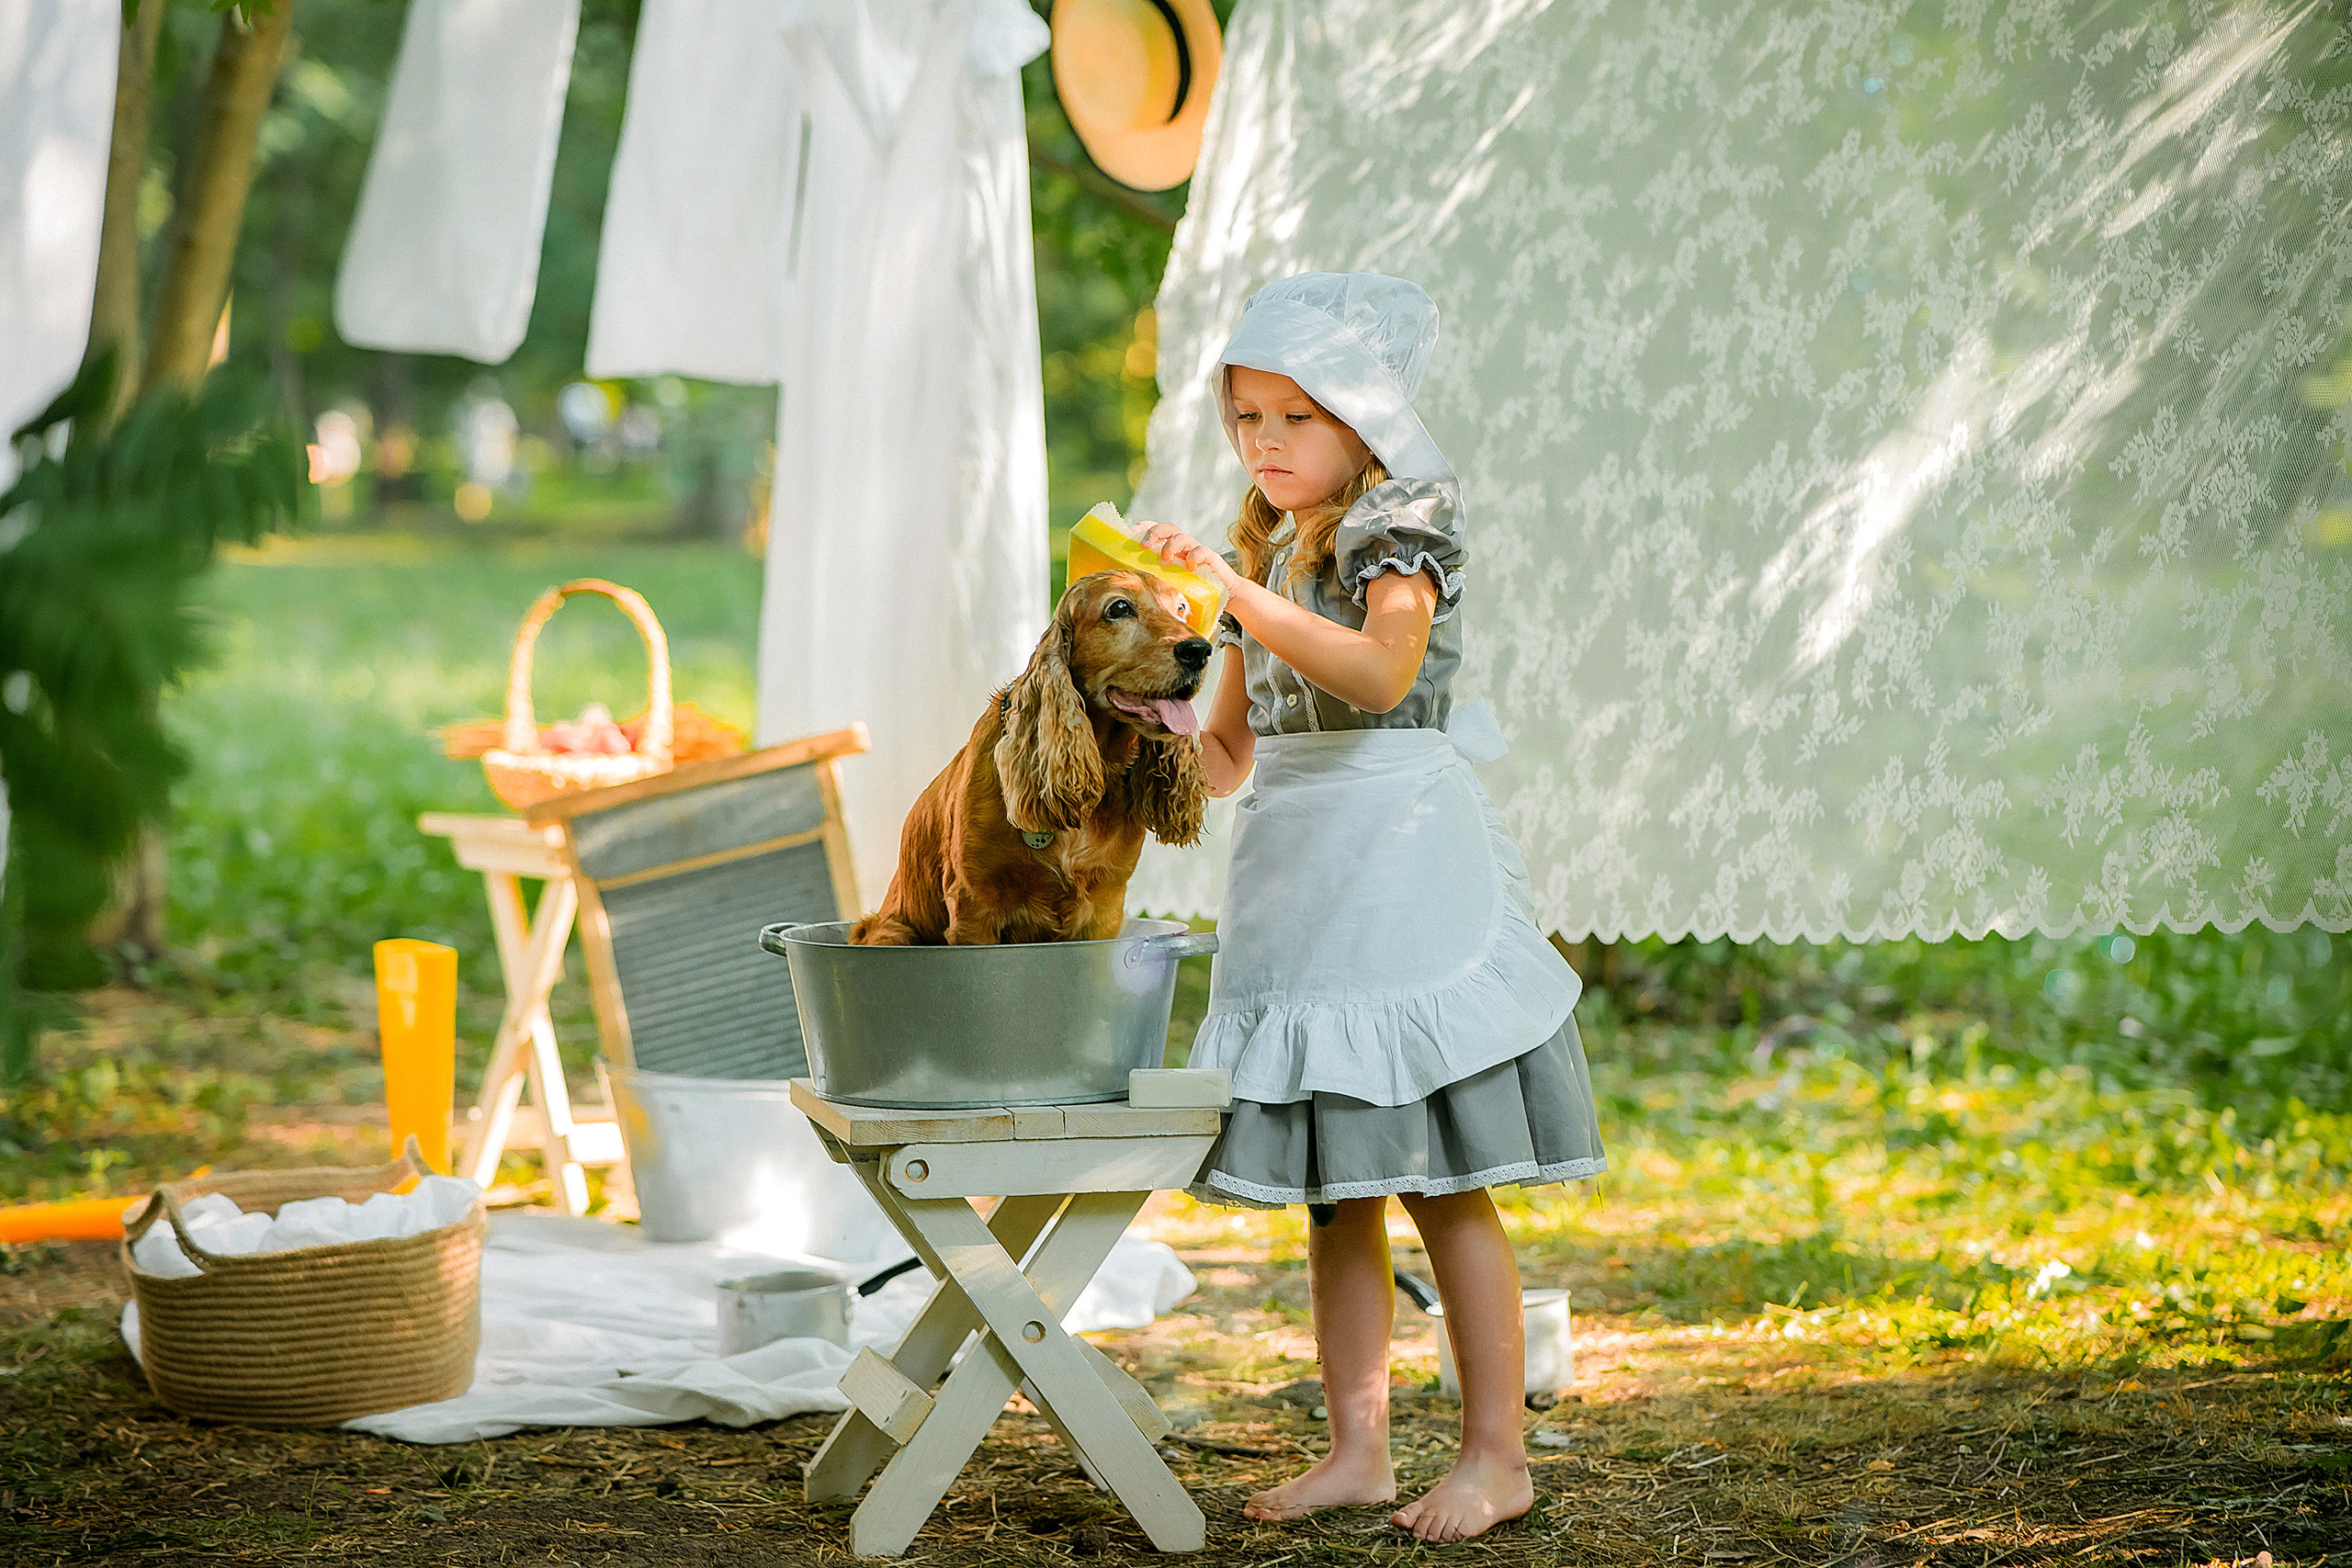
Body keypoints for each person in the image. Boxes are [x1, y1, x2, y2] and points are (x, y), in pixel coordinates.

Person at [1142, 272, 1608, 1543]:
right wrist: (1167, 708)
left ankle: (1497, 1454)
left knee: (1443, 1176)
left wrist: (1243, 606)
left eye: (1297, 418)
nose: (1268, 445)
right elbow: (1236, 752)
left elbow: (1384, 671)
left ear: (1363, 424)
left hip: (1398, 850)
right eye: (1247, 421)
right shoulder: (1259, 548)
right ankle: (1357, 1446)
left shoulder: (1398, 529)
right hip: (1296, 862)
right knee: (1340, 1189)